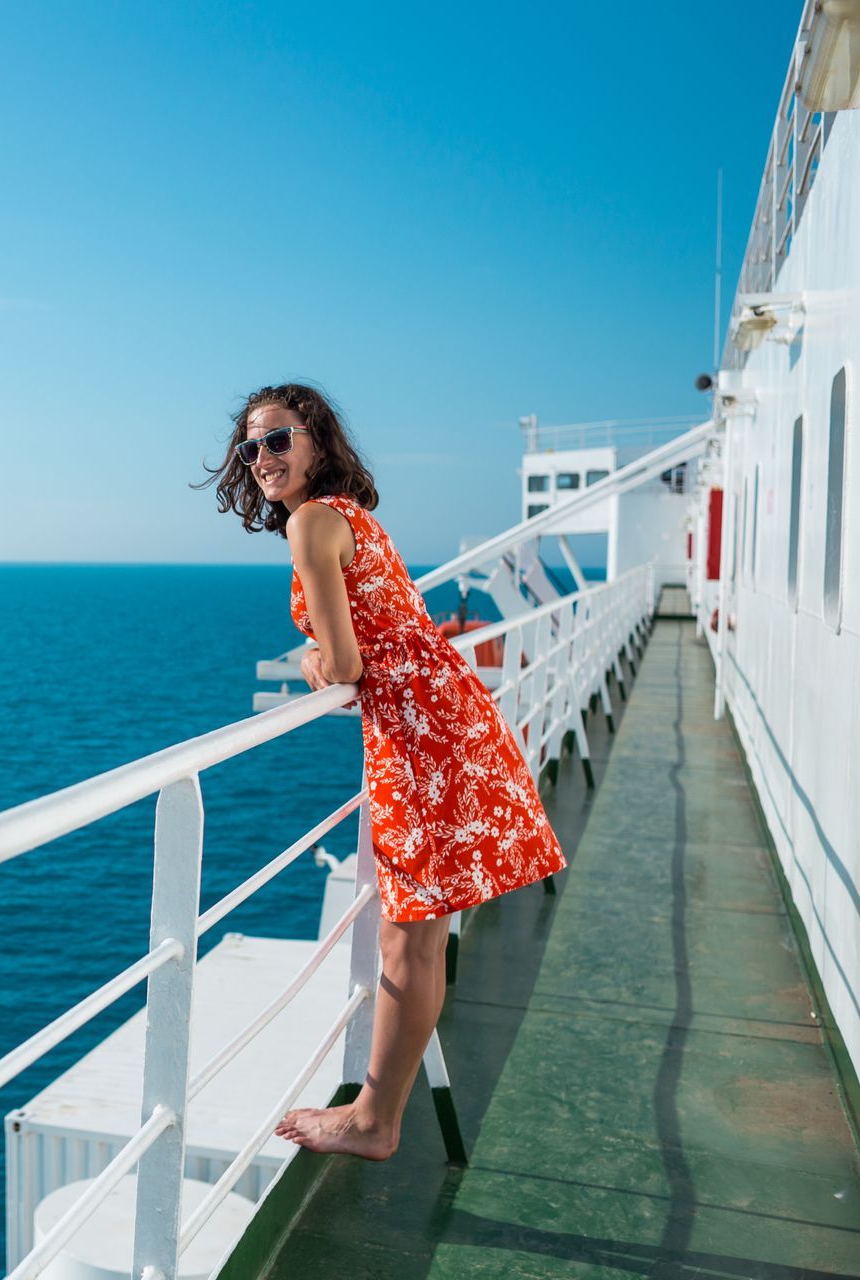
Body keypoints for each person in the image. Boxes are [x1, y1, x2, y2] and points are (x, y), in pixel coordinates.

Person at [196, 381, 567, 1160]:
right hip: (446, 716)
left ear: (317, 443)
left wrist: (308, 663)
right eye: (249, 447)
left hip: (417, 738)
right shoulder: (354, 518)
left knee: (409, 941)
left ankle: (374, 1120)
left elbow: (344, 666)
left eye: (277, 440)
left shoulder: (309, 523)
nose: (261, 457)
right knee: (420, 938)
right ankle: (379, 1113)